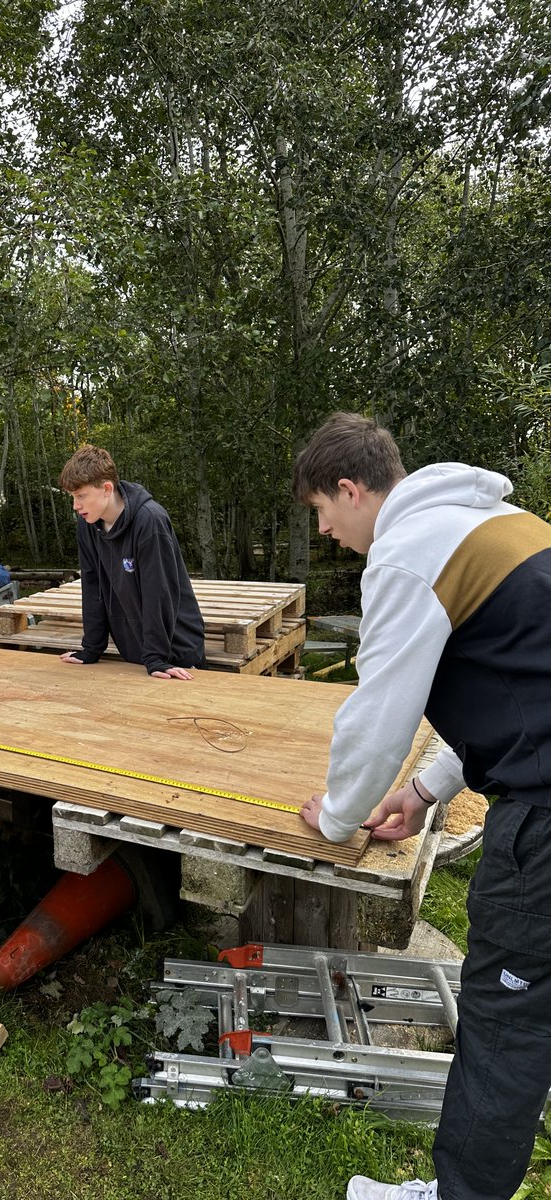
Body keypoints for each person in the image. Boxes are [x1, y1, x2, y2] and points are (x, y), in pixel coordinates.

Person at [292, 412, 551, 1200]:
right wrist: (427, 788)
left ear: (349, 487)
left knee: (507, 1016)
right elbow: (513, 683)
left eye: (322, 513)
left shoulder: (405, 555)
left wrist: (338, 815)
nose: (329, 532)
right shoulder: (496, 520)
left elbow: (379, 717)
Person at [57, 444, 206, 679]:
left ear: (106, 488)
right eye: (73, 497)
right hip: (135, 651)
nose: (76, 506)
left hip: (175, 650)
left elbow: (159, 593)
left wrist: (157, 657)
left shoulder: (149, 521)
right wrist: (92, 648)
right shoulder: (88, 526)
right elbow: (93, 585)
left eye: (81, 496)